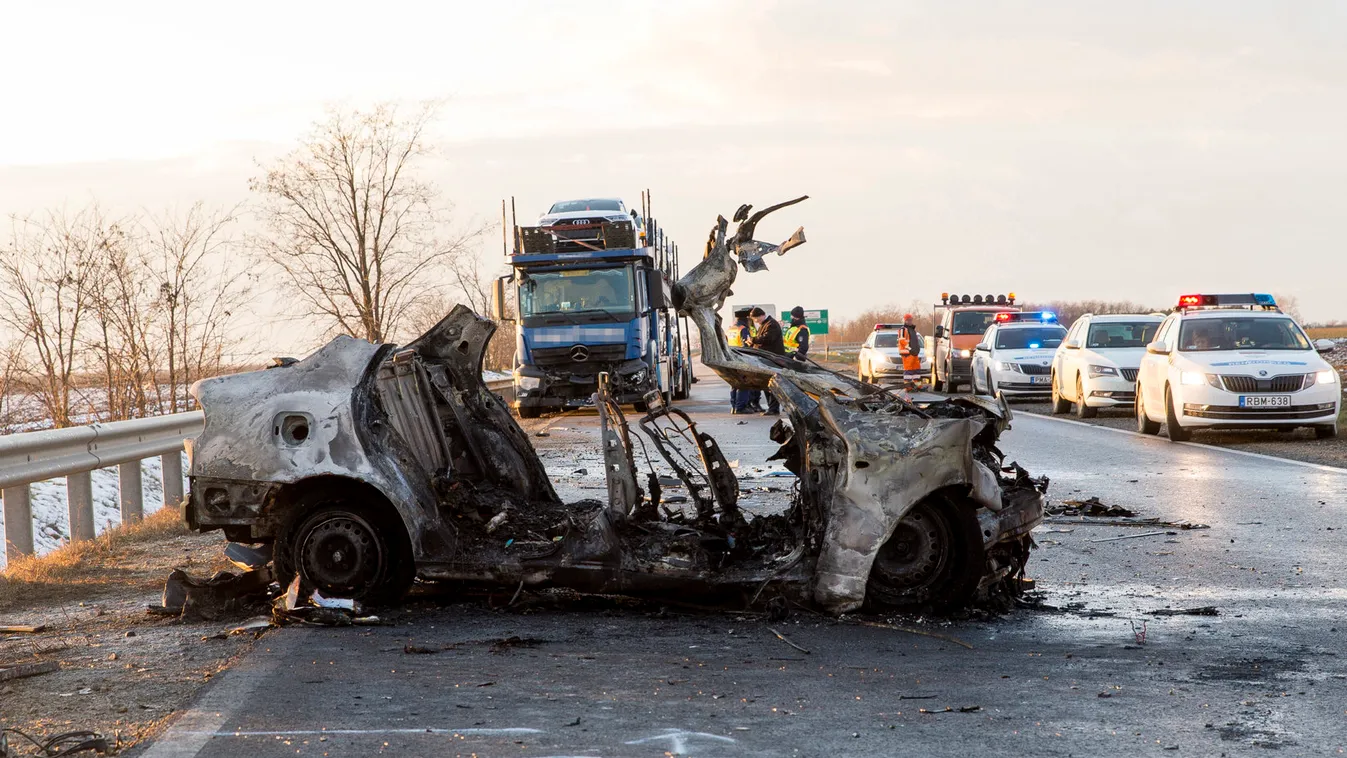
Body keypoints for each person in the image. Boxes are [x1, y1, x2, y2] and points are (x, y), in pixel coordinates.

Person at [747, 306, 785, 415]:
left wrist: (753, 340)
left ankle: (773, 408)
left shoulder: (771, 324)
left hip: (772, 359)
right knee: (767, 385)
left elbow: (768, 339)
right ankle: (771, 408)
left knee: (772, 384)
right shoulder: (764, 324)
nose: (756, 321)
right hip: (765, 359)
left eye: (756, 319)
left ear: (762, 315)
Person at [728, 310, 755, 414]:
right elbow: (746, 346)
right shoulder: (743, 329)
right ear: (746, 318)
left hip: (731, 358)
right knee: (744, 383)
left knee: (734, 383)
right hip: (741, 358)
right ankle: (741, 407)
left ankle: (734, 406)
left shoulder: (730, 329)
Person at [899, 314, 923, 390]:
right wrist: (910, 349)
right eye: (908, 320)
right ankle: (908, 387)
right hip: (907, 354)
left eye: (911, 320)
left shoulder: (912, 330)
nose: (910, 321)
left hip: (914, 353)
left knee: (916, 370)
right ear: (905, 321)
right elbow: (902, 341)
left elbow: (915, 341)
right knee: (908, 371)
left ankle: (918, 386)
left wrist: (917, 348)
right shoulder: (903, 329)